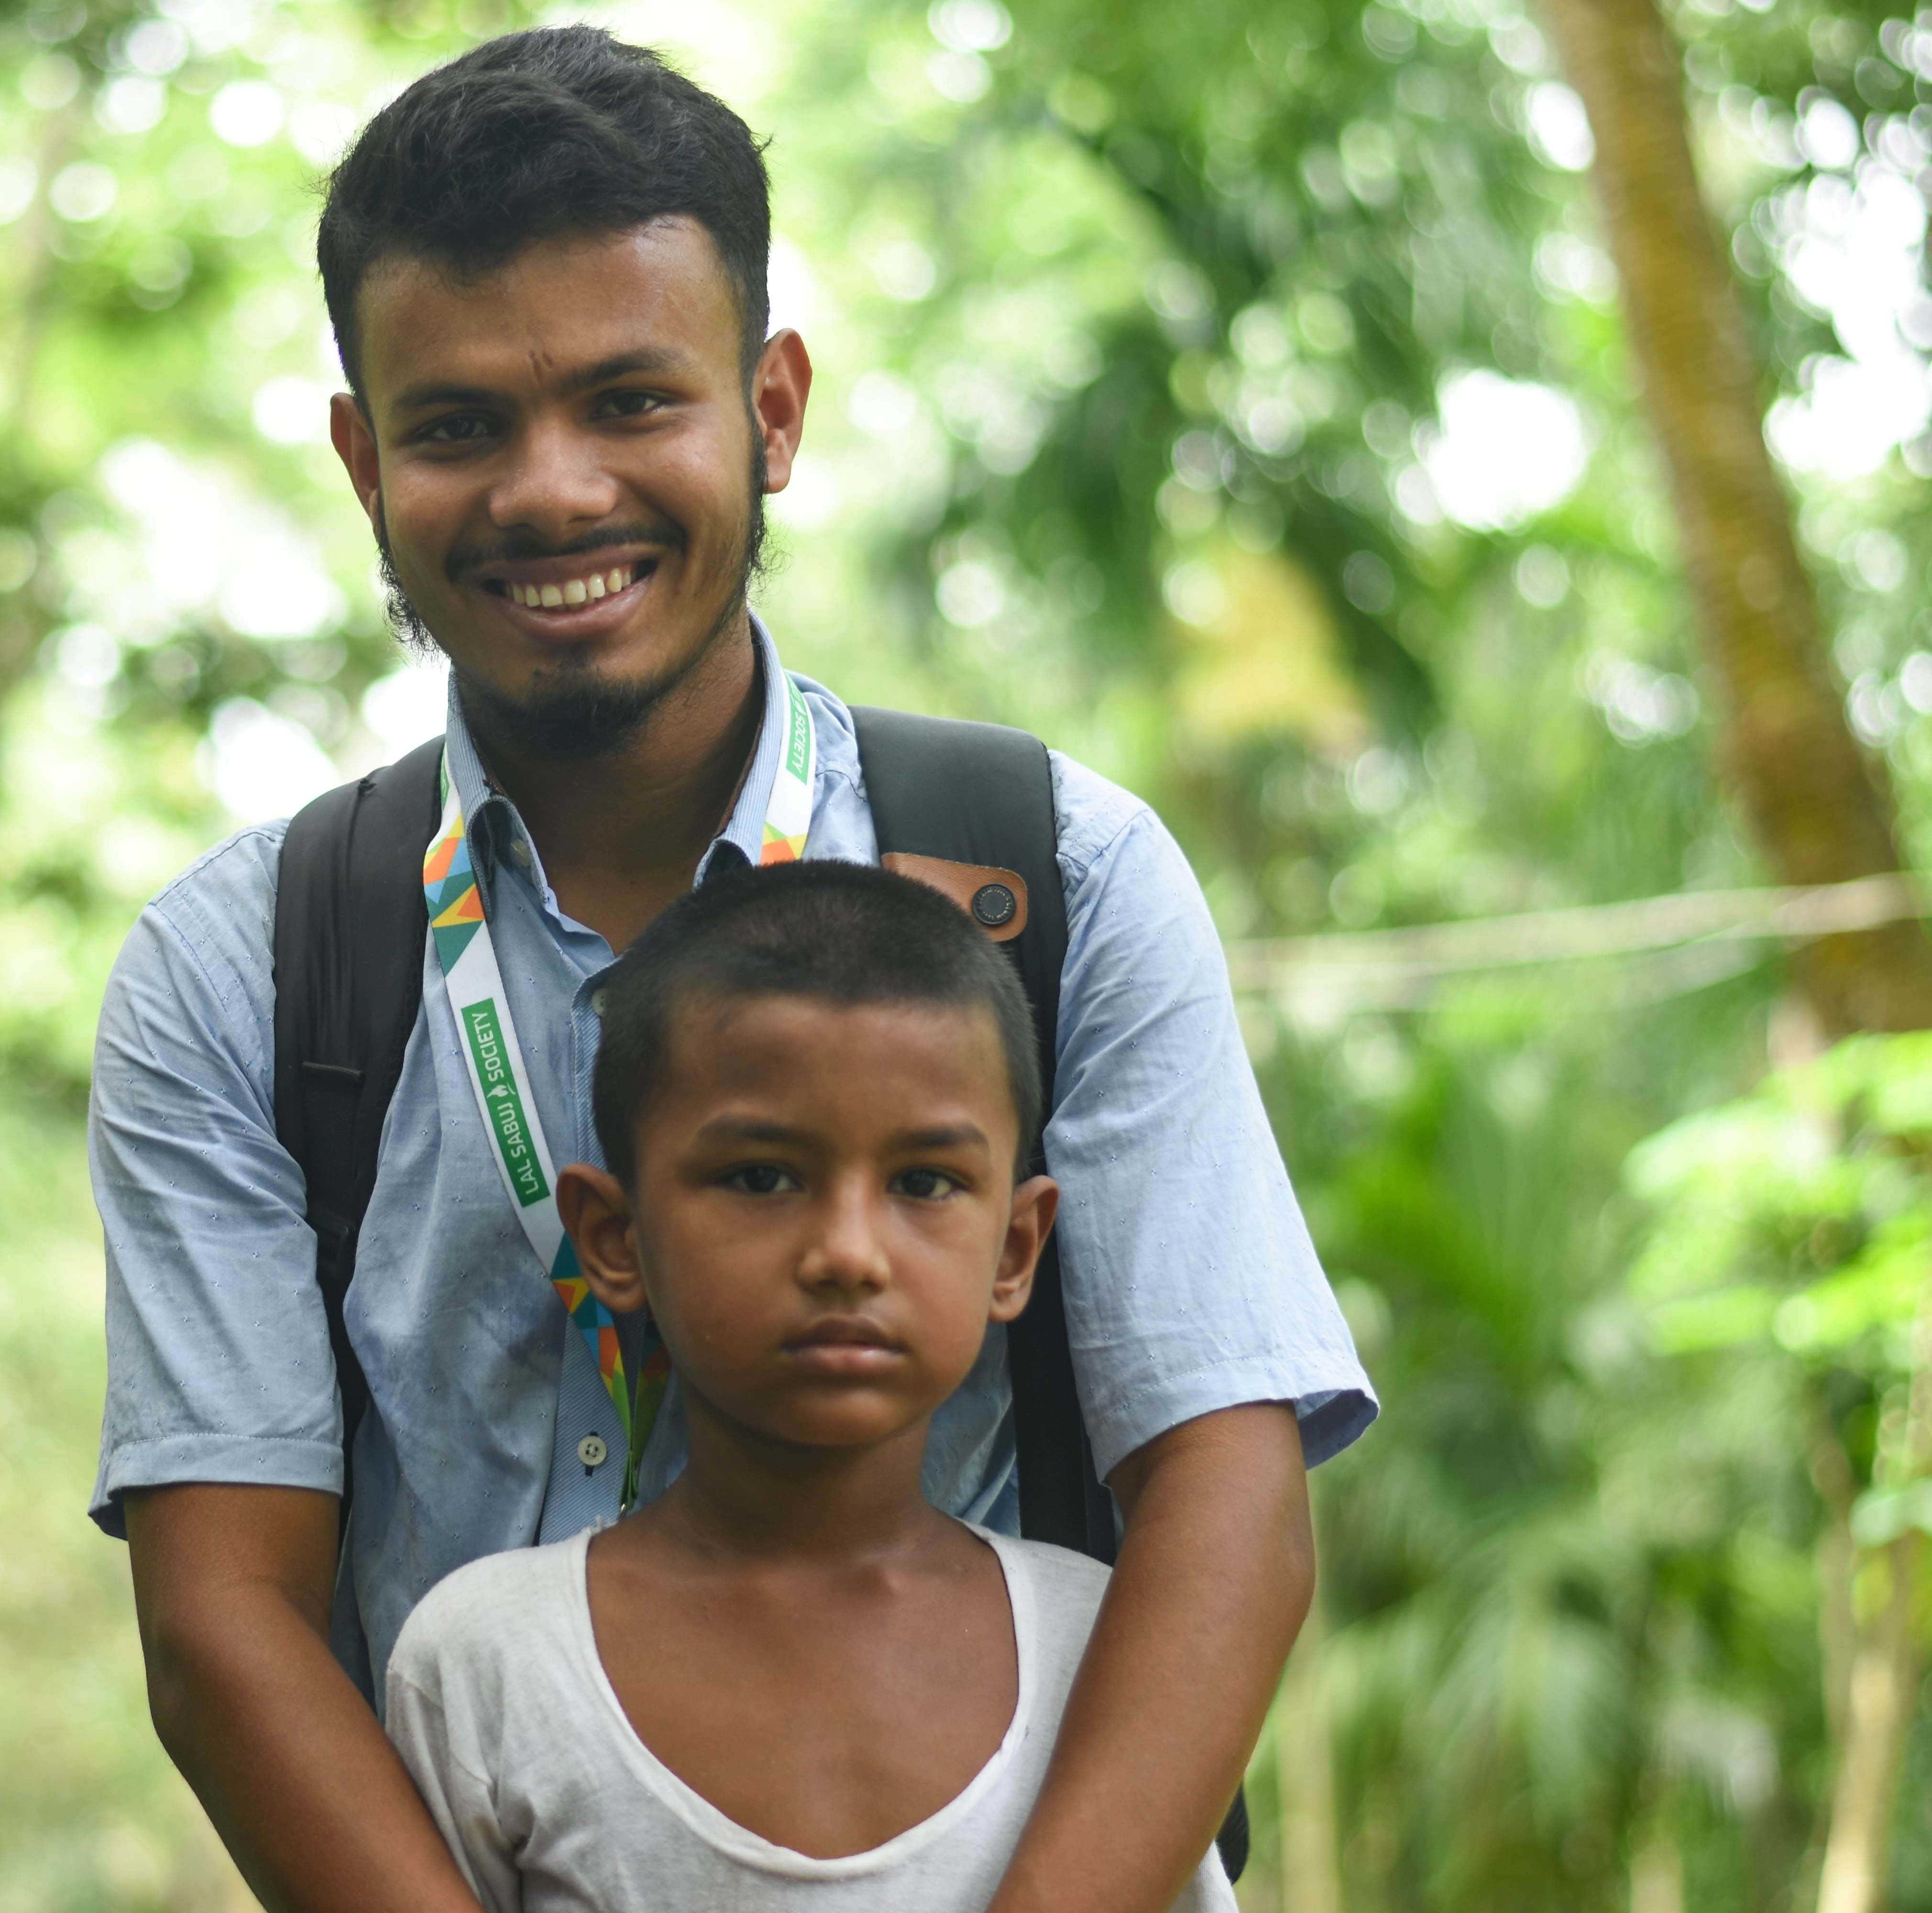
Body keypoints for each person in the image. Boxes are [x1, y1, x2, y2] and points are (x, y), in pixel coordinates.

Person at [90, 25, 1372, 1913]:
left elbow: (1231, 1504)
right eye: (455, 427)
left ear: (771, 409)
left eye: (632, 400)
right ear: (363, 458)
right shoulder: (248, 973)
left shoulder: (1056, 877)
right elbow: (226, 1617)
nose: (548, 492)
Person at [384, 861, 1233, 1913]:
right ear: (615, 1236)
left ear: (1016, 1248)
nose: (847, 1253)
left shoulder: (1103, 1648)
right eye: (761, 1177)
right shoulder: (488, 1663)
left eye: (925, 1182)